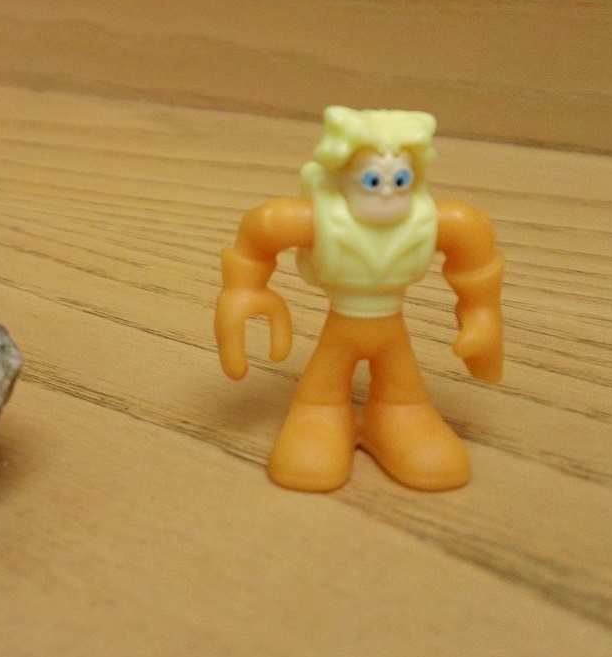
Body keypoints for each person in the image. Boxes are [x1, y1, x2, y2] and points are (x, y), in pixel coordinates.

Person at [215, 107, 504, 492]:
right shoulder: (323, 218)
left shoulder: (427, 220)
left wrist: (482, 315)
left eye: (400, 180)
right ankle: (319, 414)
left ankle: (400, 412)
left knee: (405, 396)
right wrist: (244, 290)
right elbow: (264, 226)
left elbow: (471, 238)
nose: (387, 192)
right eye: (372, 180)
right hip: (342, 325)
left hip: (390, 327)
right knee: (321, 399)